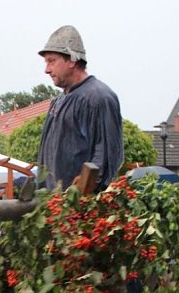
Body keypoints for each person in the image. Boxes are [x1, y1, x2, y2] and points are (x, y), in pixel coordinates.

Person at [37, 25, 123, 192]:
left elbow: (103, 162)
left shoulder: (98, 98)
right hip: (55, 203)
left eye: (51, 61)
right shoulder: (58, 101)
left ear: (72, 60)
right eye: (46, 62)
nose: (47, 70)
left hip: (81, 205)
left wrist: (79, 199)